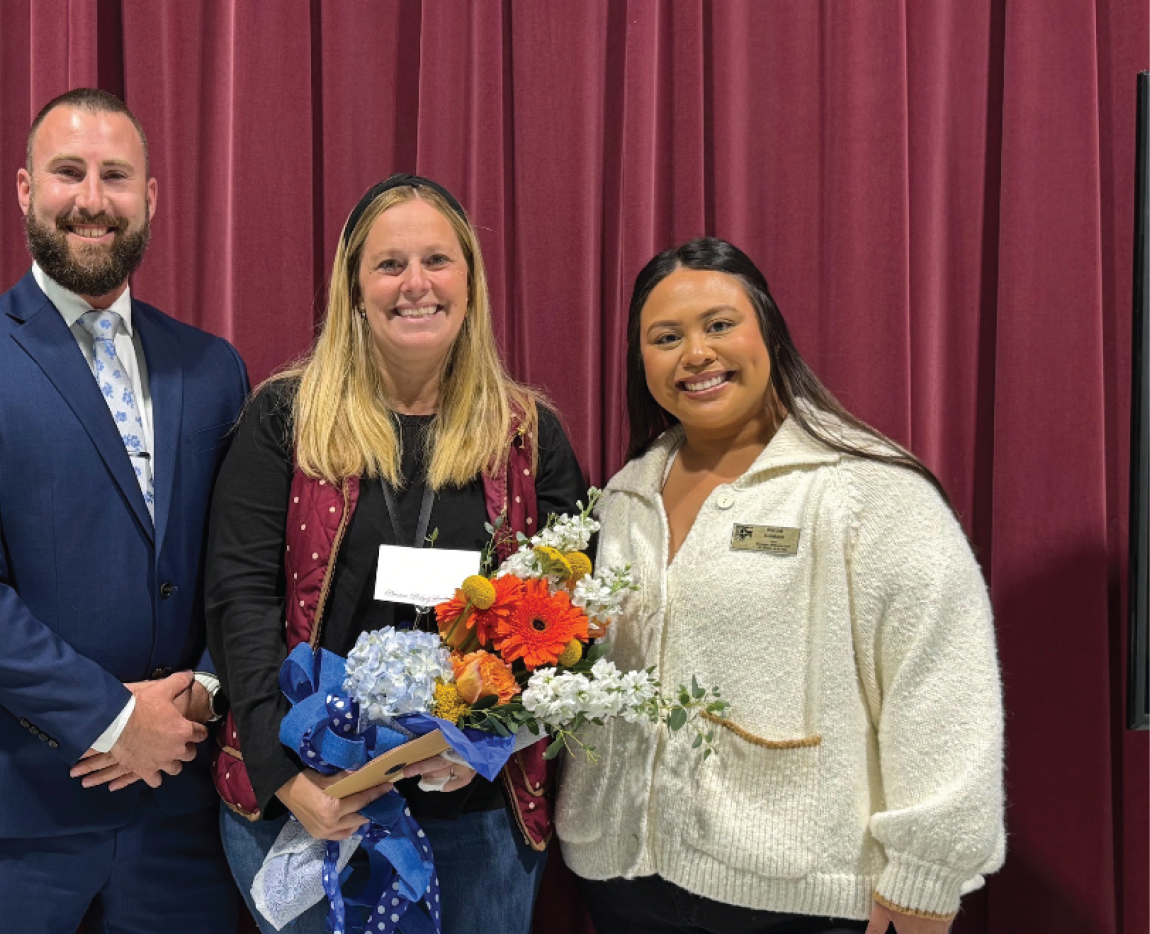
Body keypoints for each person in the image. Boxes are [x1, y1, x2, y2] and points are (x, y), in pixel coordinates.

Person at [555, 238, 1005, 934]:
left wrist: (926, 876)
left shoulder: (868, 490)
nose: (696, 353)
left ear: (769, 331)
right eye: (666, 337)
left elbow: (942, 688)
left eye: (719, 325)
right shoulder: (621, 498)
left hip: (797, 896)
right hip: (621, 884)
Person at [0, 88, 247, 934]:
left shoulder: (214, 368)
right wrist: (115, 720)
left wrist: (200, 694)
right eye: (68, 173)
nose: (92, 199)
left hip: (179, 812)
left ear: (151, 197)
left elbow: (243, 564)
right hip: (8, 812)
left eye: (116, 176)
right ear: (24, 189)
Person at [205, 173, 588, 933]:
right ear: (354, 290)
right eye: (389, 265)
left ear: (471, 285)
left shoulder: (528, 436)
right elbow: (239, 599)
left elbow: (570, 628)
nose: (416, 284)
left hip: (477, 811)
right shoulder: (287, 417)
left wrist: (483, 748)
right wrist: (287, 781)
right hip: (314, 803)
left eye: (438, 261)